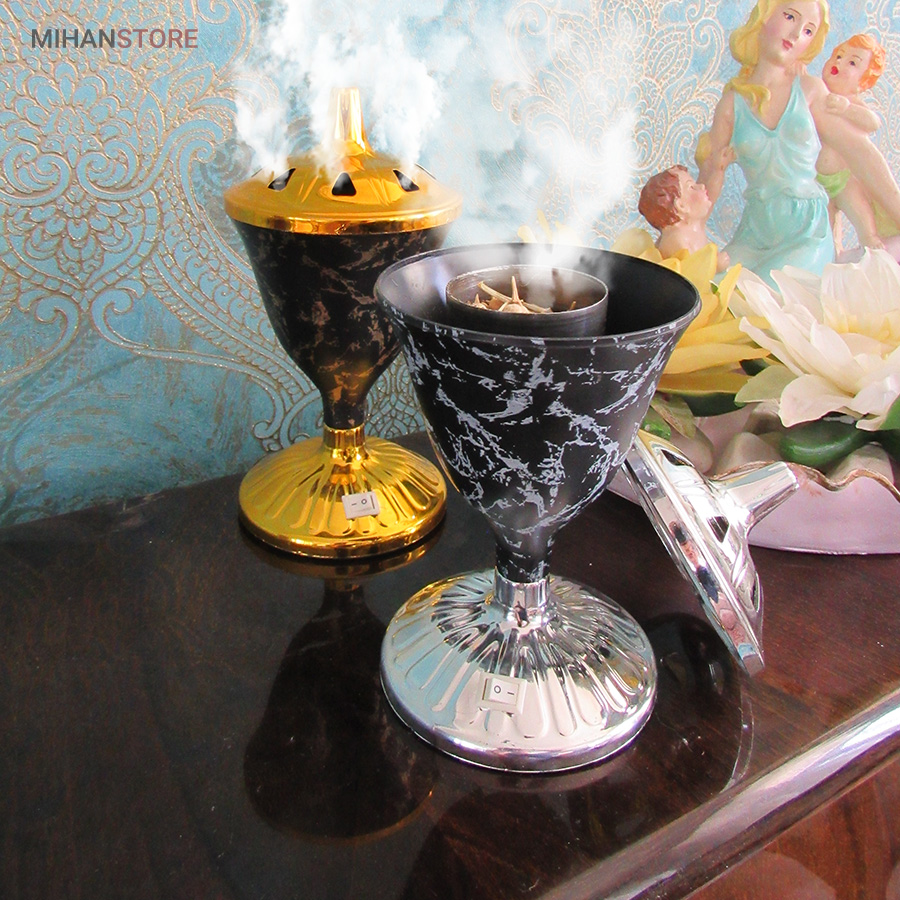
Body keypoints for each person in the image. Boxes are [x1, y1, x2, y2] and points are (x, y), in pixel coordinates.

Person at [696, 0, 834, 284]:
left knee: (759, 292)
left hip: (807, 232)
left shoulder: (810, 91)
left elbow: (853, 154)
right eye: (790, 17)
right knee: (709, 288)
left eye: (808, 31)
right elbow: (708, 180)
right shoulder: (732, 104)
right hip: (755, 233)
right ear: (763, 17)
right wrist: (687, 235)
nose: (796, 34)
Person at [815, 34, 900, 259]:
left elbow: (873, 122)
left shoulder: (850, 102)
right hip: (817, 181)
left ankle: (870, 240)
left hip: (843, 180)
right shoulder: (815, 95)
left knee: (860, 211)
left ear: (863, 82)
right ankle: (830, 255)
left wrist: (846, 109)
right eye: (838, 56)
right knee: (825, 226)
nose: (840, 63)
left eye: (852, 62)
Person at [638, 165, 732, 270]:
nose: (701, 186)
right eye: (692, 187)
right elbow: (692, 271)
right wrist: (716, 265)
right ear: (681, 205)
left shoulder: (693, 228)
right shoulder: (677, 241)